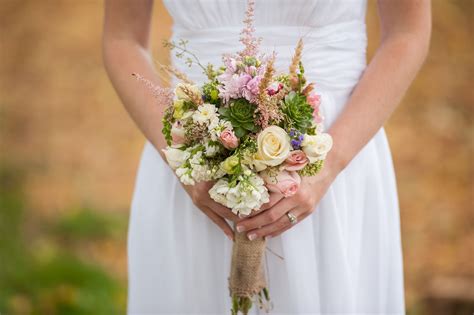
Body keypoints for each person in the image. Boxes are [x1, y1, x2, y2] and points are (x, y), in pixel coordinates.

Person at [103, 0, 431, 313]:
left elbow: (407, 32)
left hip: (335, 147)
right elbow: (122, 39)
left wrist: (328, 164)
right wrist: (183, 157)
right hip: (194, 152)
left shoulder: (331, 161)